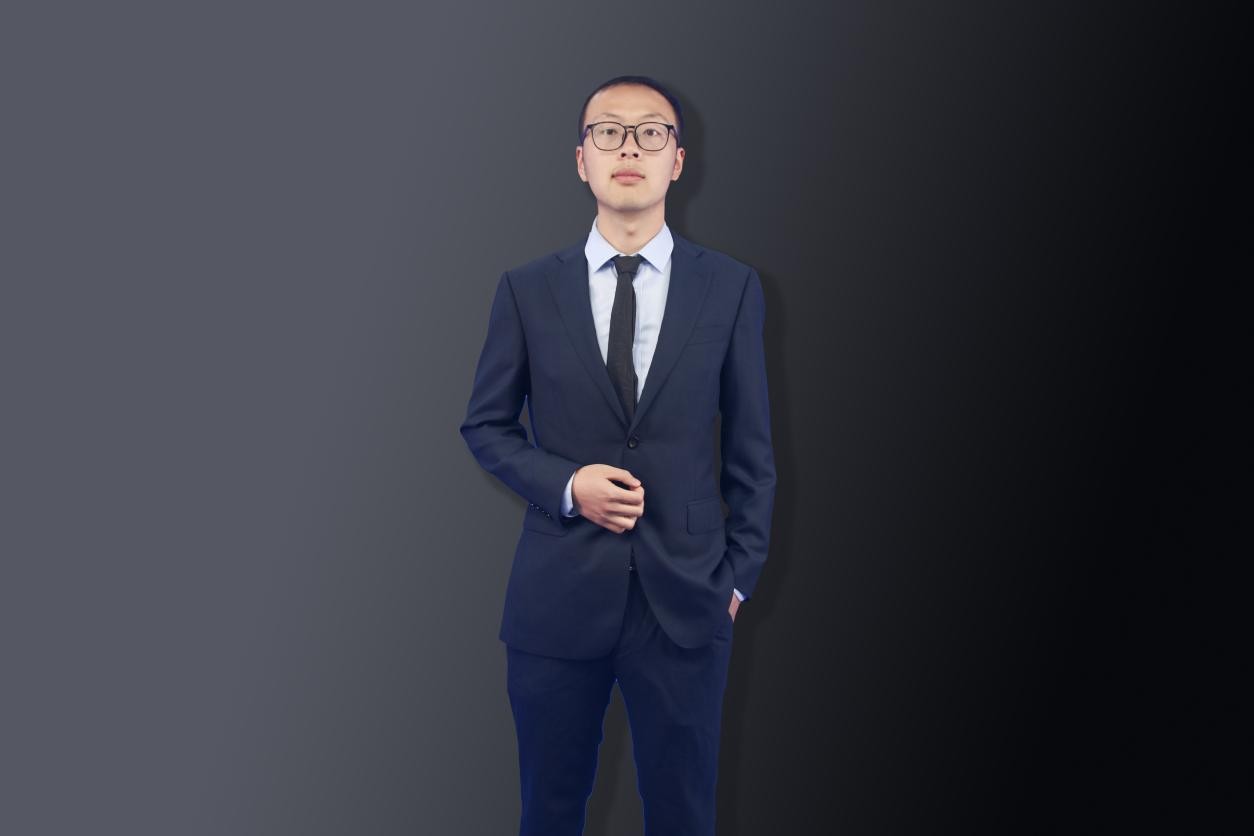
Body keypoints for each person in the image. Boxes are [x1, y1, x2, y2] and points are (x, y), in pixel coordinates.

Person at [460, 74, 776, 836]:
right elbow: (486, 425)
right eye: (608, 132)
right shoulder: (527, 290)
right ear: (581, 160)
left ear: (678, 160)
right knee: (549, 813)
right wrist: (568, 484)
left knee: (684, 816)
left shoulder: (731, 288)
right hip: (556, 601)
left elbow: (753, 452)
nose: (628, 148)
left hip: (689, 603)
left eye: (650, 133)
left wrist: (737, 579)